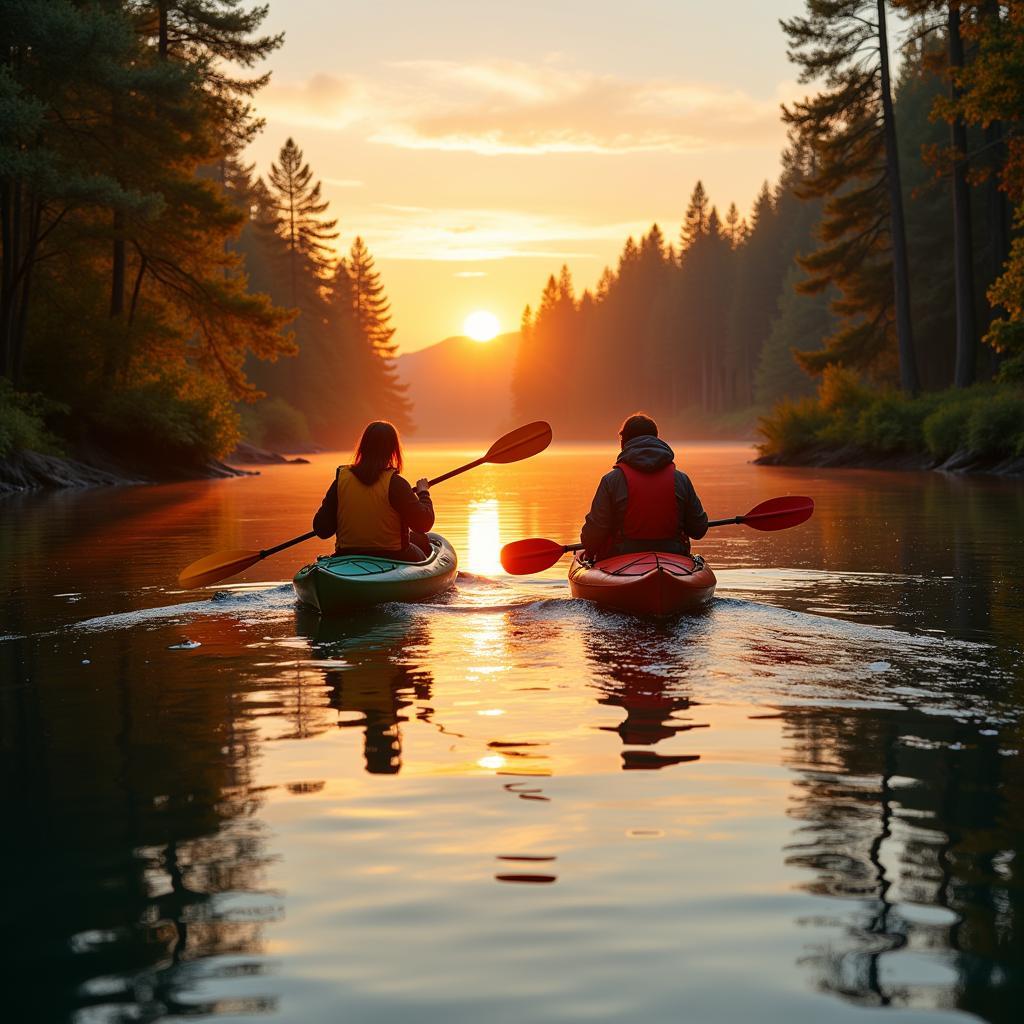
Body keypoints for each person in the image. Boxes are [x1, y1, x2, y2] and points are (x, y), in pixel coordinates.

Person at [580, 412, 708, 560]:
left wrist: (589, 550)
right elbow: (699, 529)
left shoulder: (611, 481)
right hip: (674, 556)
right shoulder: (681, 479)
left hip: (622, 557)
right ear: (657, 439)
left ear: (623, 443)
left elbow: (592, 537)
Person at [313, 421, 434, 561]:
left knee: (418, 538)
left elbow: (322, 529)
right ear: (392, 450)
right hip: (394, 557)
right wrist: (423, 493)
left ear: (363, 447)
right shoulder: (396, 484)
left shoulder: (340, 482)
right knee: (422, 540)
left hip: (346, 557)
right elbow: (423, 524)